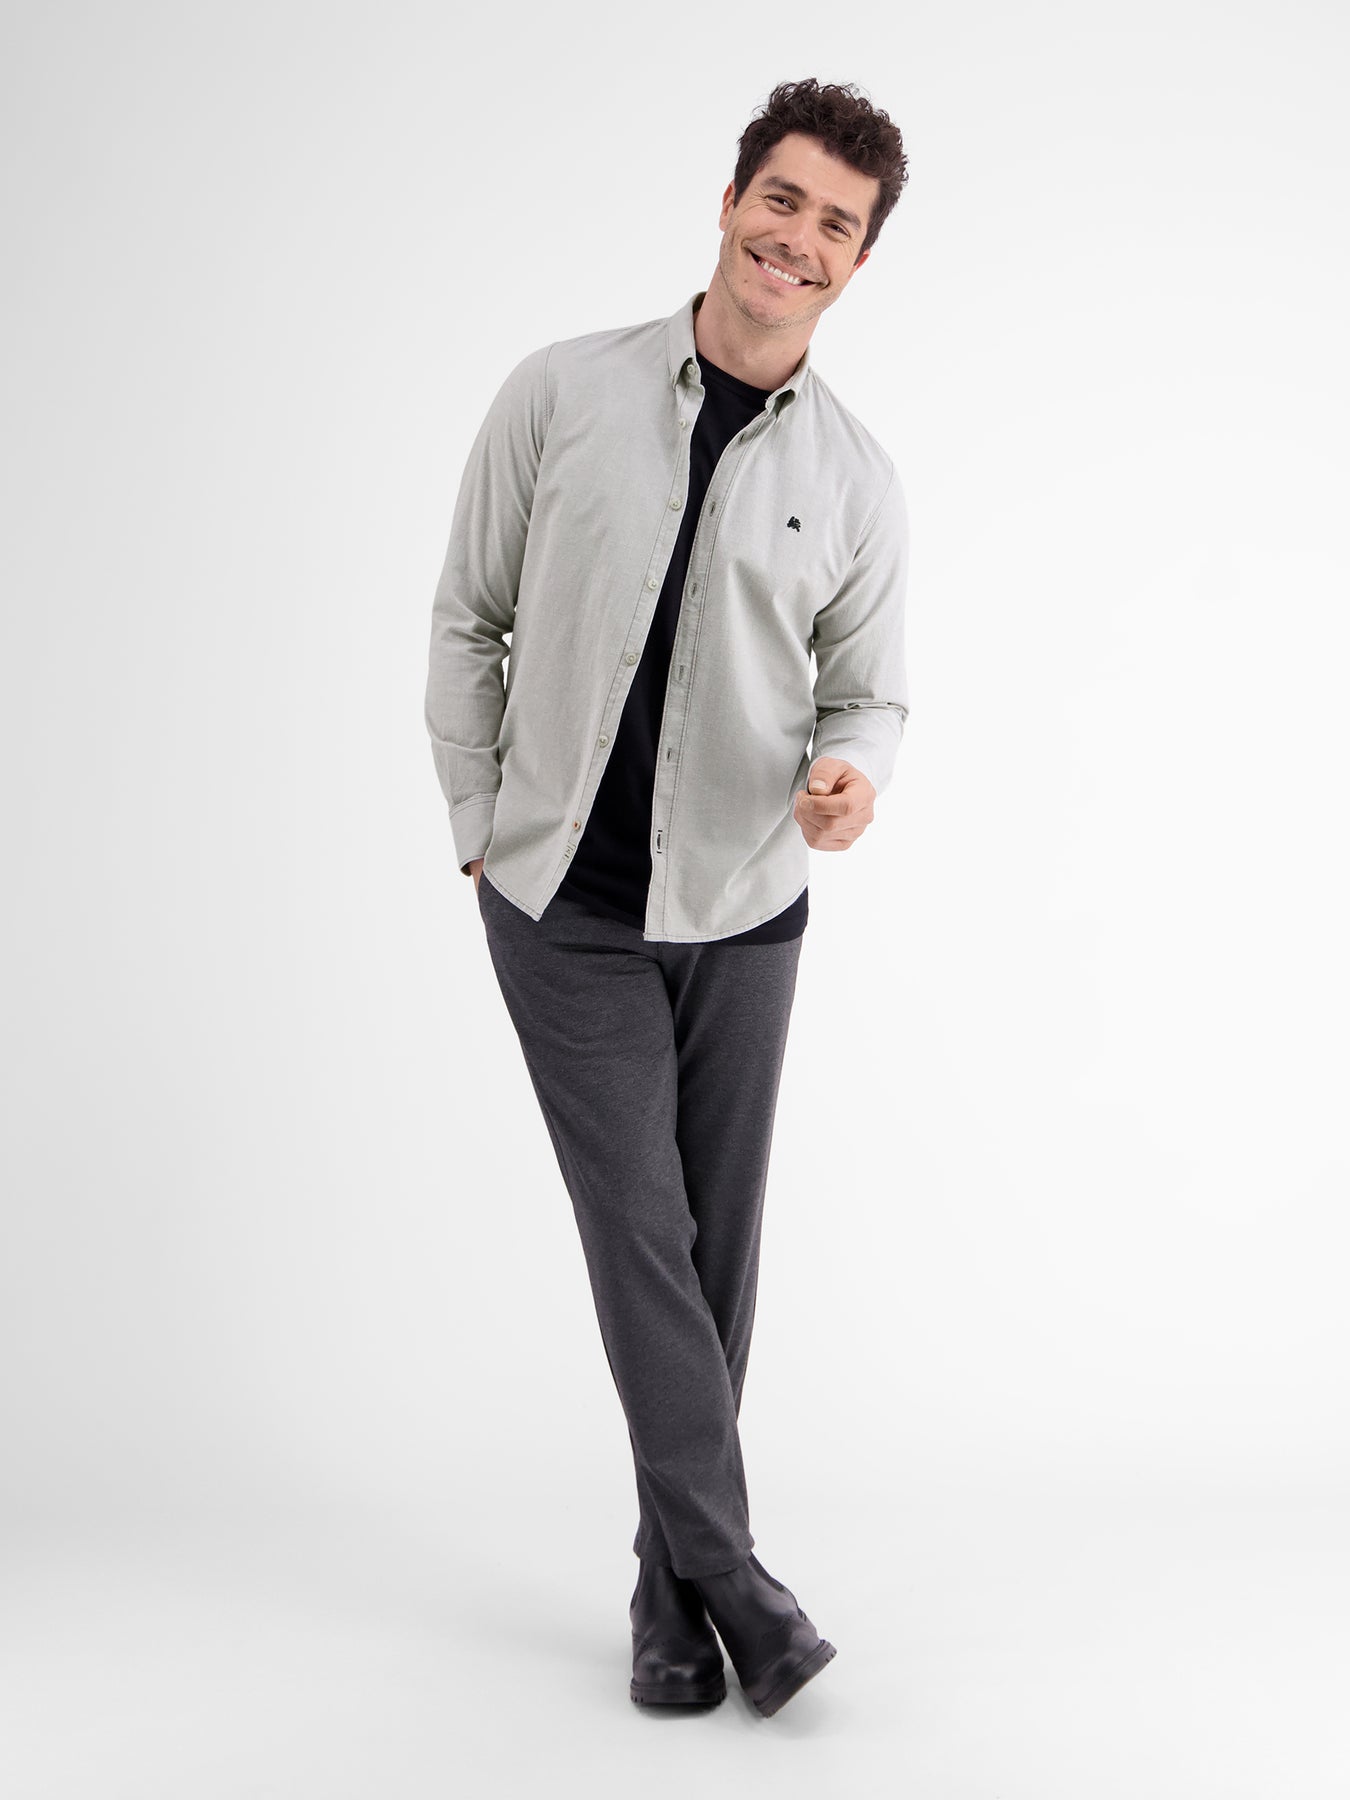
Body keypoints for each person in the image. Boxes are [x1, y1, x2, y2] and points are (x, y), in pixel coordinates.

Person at [424, 76, 910, 1717]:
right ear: (728, 201)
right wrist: (479, 821)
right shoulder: (559, 392)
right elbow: (466, 615)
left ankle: (664, 1593)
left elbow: (867, 694)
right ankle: (741, 1586)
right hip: (560, 902)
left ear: (856, 261)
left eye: (834, 224)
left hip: (744, 905)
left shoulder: (857, 477)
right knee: (642, 1237)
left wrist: (850, 775)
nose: (797, 239)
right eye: (781, 199)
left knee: (716, 1264)